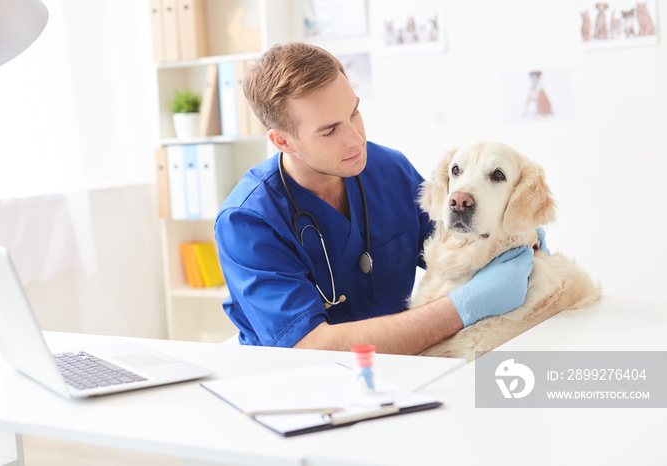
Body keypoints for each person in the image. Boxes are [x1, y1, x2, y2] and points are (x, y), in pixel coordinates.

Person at [214, 42, 534, 354]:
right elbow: (310, 346)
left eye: (354, 113)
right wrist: (463, 307)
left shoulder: (389, 170)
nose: (356, 140)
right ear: (282, 141)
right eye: (329, 131)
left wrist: (513, 234)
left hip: (402, 368)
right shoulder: (247, 221)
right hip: (301, 385)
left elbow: (454, 245)